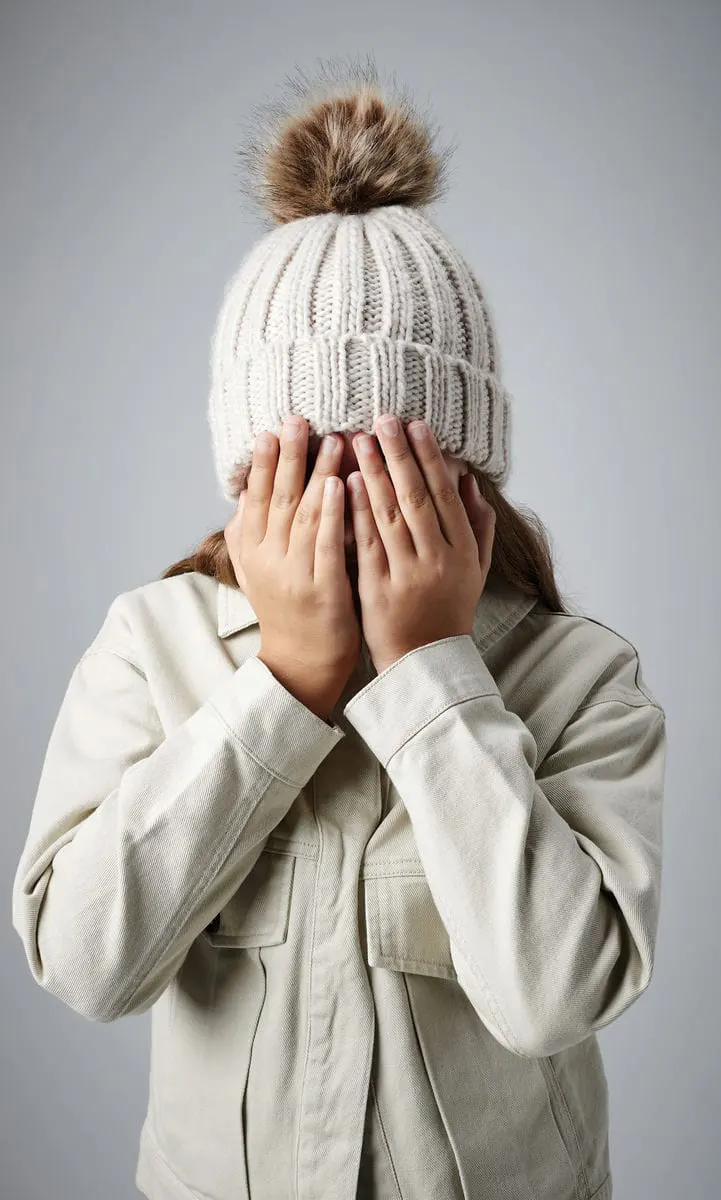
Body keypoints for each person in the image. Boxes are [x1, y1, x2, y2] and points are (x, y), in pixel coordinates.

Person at [11, 53, 667, 1200]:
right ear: (245, 473)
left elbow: (554, 997)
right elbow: (82, 964)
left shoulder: (579, 679)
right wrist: (283, 686)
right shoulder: (150, 644)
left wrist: (427, 674)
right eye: (309, 463)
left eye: (399, 463)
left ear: (468, 473)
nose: (352, 504)